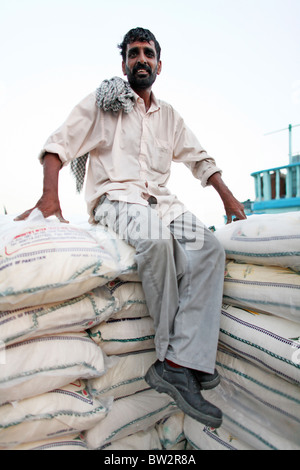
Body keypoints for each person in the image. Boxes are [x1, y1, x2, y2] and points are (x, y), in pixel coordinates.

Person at [15, 27, 246, 428]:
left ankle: (183, 360)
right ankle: (173, 359)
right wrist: (50, 198)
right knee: (156, 244)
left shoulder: (169, 115)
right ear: (123, 64)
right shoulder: (105, 103)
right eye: (134, 53)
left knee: (208, 249)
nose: (142, 59)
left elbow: (198, 157)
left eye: (148, 53)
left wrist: (226, 196)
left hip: (163, 203)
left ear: (159, 64)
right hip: (117, 200)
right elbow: (57, 146)